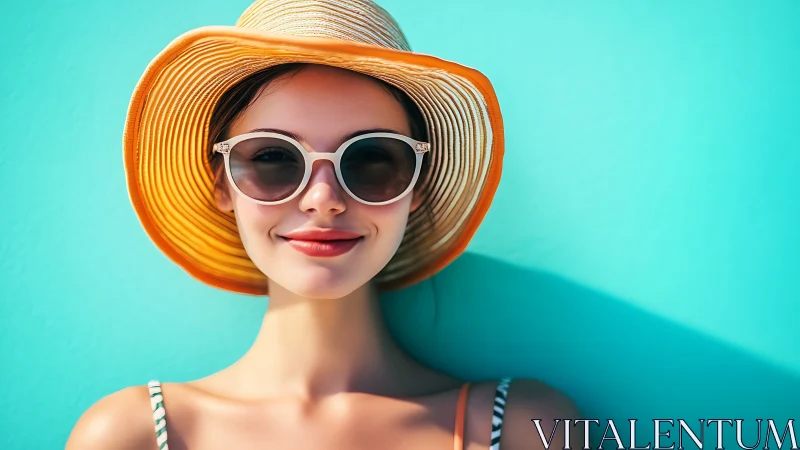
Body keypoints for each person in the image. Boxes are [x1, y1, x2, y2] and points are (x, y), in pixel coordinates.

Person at [67, 0, 581, 449]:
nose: (322, 200)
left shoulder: (527, 428)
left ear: (418, 184)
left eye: (372, 159)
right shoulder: (130, 435)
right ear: (222, 184)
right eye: (273, 158)